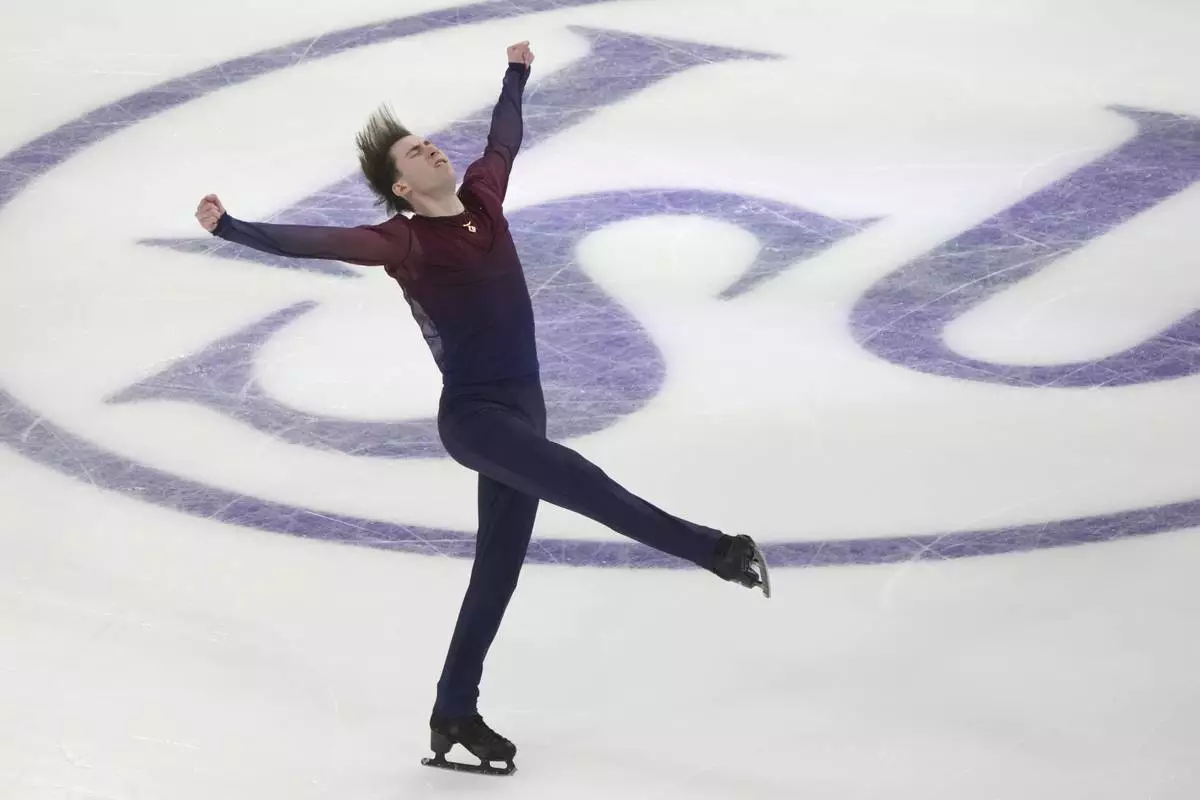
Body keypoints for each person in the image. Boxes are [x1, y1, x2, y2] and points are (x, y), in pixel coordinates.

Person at [194, 40, 769, 776]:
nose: (430, 149)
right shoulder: (404, 241)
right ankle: (715, 551)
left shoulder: (484, 196)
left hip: (526, 409)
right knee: (581, 480)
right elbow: (320, 241)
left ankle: (453, 711)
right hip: (477, 420)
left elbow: (504, 139)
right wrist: (233, 228)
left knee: (498, 569)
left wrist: (516, 73)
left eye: (427, 141)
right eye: (414, 152)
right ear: (401, 187)